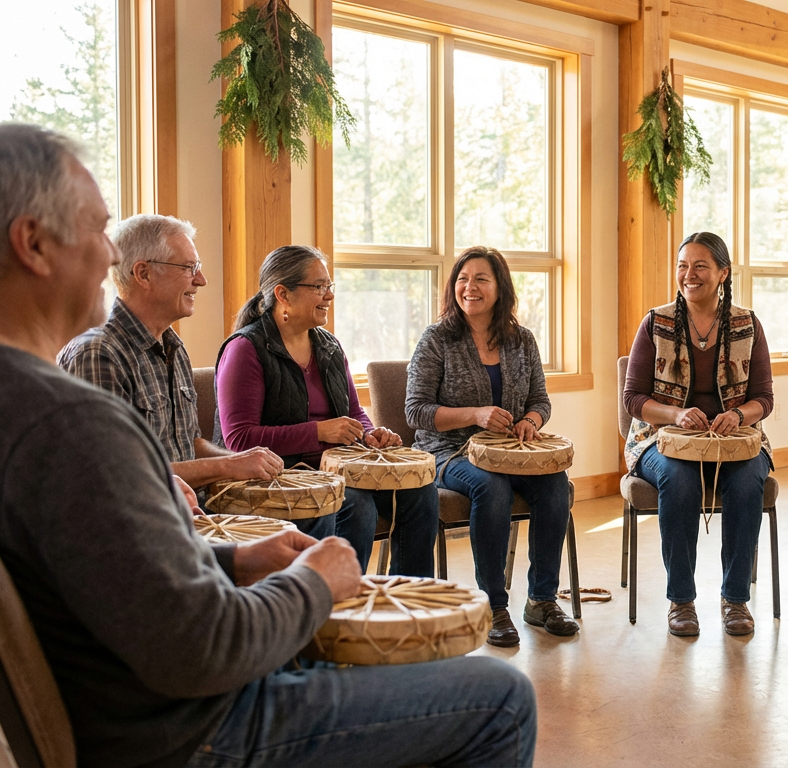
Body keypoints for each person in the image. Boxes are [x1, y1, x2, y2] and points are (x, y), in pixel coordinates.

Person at [0, 122, 535, 768]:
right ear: (33, 243)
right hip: (194, 728)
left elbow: (126, 583)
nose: (109, 254)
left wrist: (237, 561)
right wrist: (313, 583)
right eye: (97, 229)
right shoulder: (68, 421)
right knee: (505, 697)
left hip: (157, 698)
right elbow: (201, 646)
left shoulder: (34, 406)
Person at [214, 245, 438, 576]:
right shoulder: (245, 349)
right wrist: (319, 432)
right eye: (319, 286)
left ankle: (406, 595)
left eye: (329, 285)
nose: (329, 295)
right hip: (276, 475)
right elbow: (239, 440)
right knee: (356, 505)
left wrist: (369, 433)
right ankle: (337, 599)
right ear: (283, 294)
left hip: (333, 469)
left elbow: (354, 412)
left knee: (420, 492)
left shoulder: (329, 345)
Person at [406, 245, 578, 647]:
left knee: (556, 484)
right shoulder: (436, 340)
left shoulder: (522, 340)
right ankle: (493, 605)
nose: (470, 287)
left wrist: (530, 421)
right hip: (448, 452)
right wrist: (475, 414)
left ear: (500, 287)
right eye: (463, 279)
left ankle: (541, 600)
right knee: (491, 487)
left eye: (481, 279)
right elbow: (416, 411)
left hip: (510, 452)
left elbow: (540, 401)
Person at [59, 214, 284, 500]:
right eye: (189, 268)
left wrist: (242, 460)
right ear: (143, 274)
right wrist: (228, 466)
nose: (201, 280)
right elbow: (114, 473)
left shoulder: (173, 347)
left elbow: (190, 444)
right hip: (139, 517)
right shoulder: (99, 354)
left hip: (189, 509)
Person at [623, 231, 774, 637]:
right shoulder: (655, 323)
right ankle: (681, 600)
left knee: (748, 480)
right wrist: (675, 413)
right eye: (682, 266)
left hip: (735, 440)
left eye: (700, 266)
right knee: (679, 478)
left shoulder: (748, 324)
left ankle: (735, 599)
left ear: (723, 273)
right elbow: (633, 399)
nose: (689, 274)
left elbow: (764, 399)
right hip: (659, 440)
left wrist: (739, 415)